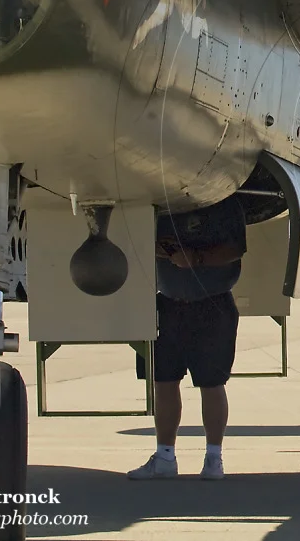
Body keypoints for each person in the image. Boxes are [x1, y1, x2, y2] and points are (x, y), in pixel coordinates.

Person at [128, 197, 248, 481]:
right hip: (168, 303)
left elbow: (236, 248)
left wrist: (196, 258)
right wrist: (167, 250)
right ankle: (165, 456)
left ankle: (213, 457)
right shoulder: (157, 198)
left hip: (213, 304)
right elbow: (138, 237)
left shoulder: (225, 202)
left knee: (212, 383)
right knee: (164, 381)